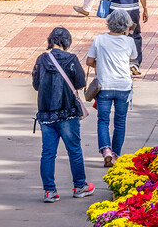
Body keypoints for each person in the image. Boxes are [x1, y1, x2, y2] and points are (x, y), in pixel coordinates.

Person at [32, 27, 94, 202]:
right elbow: (81, 84)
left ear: (50, 40)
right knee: (74, 151)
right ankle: (80, 186)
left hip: (46, 114)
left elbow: (36, 84)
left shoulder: (41, 59)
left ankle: (49, 191)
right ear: (67, 42)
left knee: (48, 153)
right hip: (68, 113)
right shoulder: (71, 59)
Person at [86, 10, 137, 168]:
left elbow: (89, 61)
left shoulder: (99, 39)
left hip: (104, 86)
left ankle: (106, 150)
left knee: (103, 120)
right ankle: (115, 154)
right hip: (123, 86)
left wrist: (99, 64)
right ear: (126, 26)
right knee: (120, 122)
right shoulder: (129, 42)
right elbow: (133, 58)